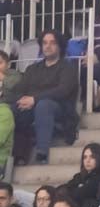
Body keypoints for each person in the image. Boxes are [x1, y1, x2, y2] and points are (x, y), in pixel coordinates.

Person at [9, 29, 78, 163]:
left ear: (59, 46)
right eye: (45, 43)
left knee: (44, 105)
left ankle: (42, 153)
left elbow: (62, 91)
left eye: (52, 43)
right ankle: (14, 156)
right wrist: (22, 100)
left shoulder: (67, 68)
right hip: (32, 107)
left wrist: (34, 99)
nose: (48, 46)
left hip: (60, 108)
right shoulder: (32, 69)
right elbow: (18, 90)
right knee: (12, 110)